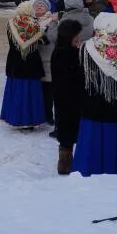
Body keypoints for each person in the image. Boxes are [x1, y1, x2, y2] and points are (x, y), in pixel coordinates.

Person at [72, 12, 117, 176]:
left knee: (92, 140)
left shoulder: (86, 47)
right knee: (116, 140)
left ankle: (90, 167)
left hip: (93, 102)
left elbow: (79, 73)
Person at [0, 1, 47, 129]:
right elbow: (45, 41)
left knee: (17, 91)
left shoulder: (11, 23)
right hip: (31, 62)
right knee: (30, 93)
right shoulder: (34, 24)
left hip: (15, 61)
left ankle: (15, 118)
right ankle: (30, 119)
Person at [51, 19, 85, 175]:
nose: (78, 39)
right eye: (76, 36)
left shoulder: (68, 51)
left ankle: (70, 162)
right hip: (67, 100)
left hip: (72, 99)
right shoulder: (63, 53)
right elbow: (71, 78)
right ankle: (65, 164)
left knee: (70, 132)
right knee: (67, 134)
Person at [33, 0, 59, 126]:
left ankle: (49, 116)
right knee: (37, 92)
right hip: (35, 62)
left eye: (42, 6)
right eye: (37, 6)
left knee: (48, 92)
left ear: (47, 8)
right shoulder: (30, 22)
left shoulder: (52, 21)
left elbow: (52, 39)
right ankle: (39, 115)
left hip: (48, 60)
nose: (39, 7)